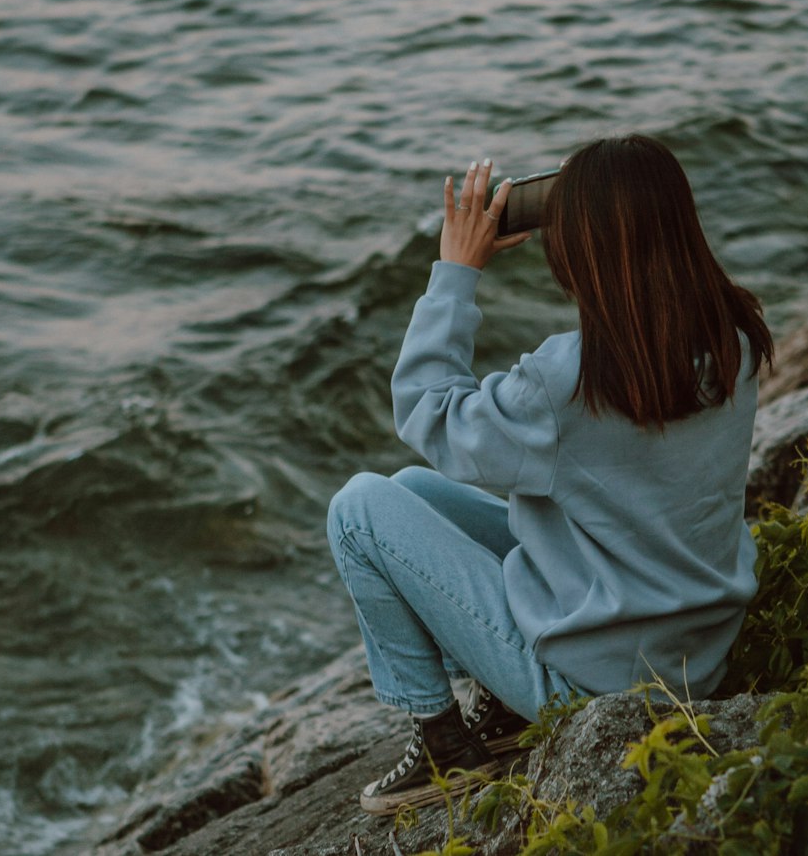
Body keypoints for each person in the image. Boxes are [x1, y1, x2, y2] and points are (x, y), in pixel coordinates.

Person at [327, 134, 773, 815]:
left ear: (580, 252)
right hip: (695, 652)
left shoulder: (571, 381)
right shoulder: (733, 337)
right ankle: (500, 710)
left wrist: (456, 271)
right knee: (415, 492)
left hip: (592, 679)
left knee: (359, 508)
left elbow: (425, 411)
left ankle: (444, 743)